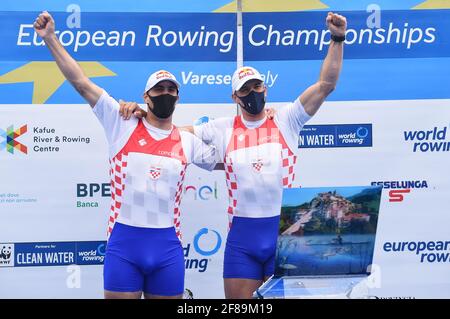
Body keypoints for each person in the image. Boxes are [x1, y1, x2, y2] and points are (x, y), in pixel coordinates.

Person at [119, 12, 346, 298]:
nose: (252, 92)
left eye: (257, 86)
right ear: (235, 98)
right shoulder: (222, 128)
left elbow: (325, 86)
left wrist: (337, 39)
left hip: (286, 236)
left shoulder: (287, 119)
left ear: (265, 88)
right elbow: (171, 132)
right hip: (242, 241)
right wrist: (143, 114)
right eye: (245, 90)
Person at [34, 11, 218, 299]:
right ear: (146, 96)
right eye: (159, 89)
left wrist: (260, 118)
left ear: (178, 98)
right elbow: (81, 83)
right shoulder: (121, 122)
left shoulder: (186, 140)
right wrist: (51, 39)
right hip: (124, 248)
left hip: (167, 250)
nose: (166, 93)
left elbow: (230, 160)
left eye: (171, 89)